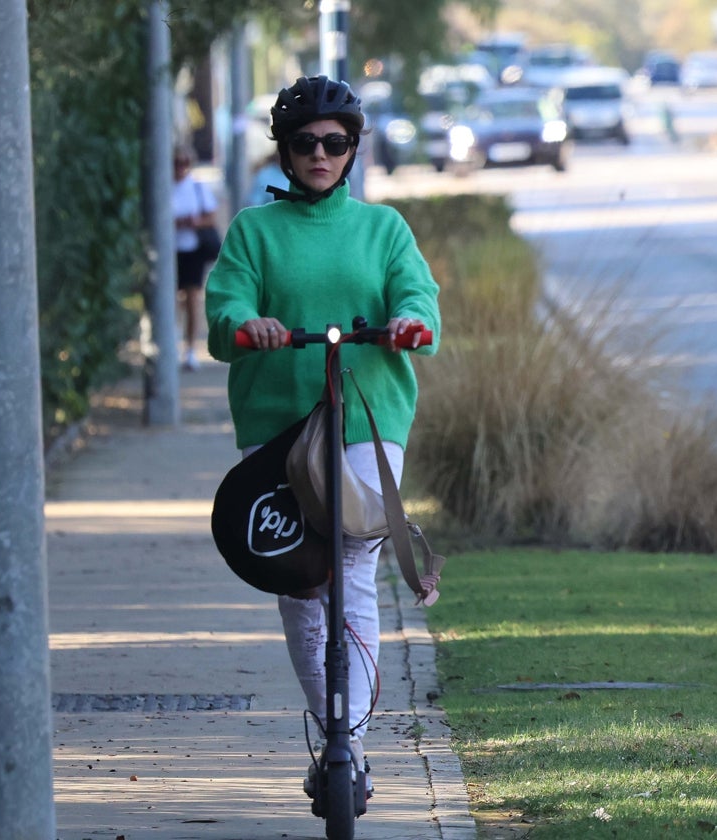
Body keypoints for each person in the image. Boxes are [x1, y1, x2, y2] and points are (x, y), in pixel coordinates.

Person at [204, 75, 442, 800]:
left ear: (353, 150)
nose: (319, 154)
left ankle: (354, 745)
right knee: (303, 583)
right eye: (304, 142)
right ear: (283, 150)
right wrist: (250, 325)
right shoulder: (254, 231)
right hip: (278, 427)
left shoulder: (384, 229)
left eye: (335, 143)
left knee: (355, 567)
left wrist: (407, 323)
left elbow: (417, 296)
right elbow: (225, 310)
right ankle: (331, 725)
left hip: (368, 415)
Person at [172, 146, 219, 371]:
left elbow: (211, 216)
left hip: (192, 249)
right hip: (168, 252)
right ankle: (169, 344)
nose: (180, 167)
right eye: (176, 163)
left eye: (184, 162)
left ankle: (190, 348)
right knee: (170, 300)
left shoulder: (197, 187)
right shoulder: (163, 186)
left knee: (191, 299)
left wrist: (193, 222)